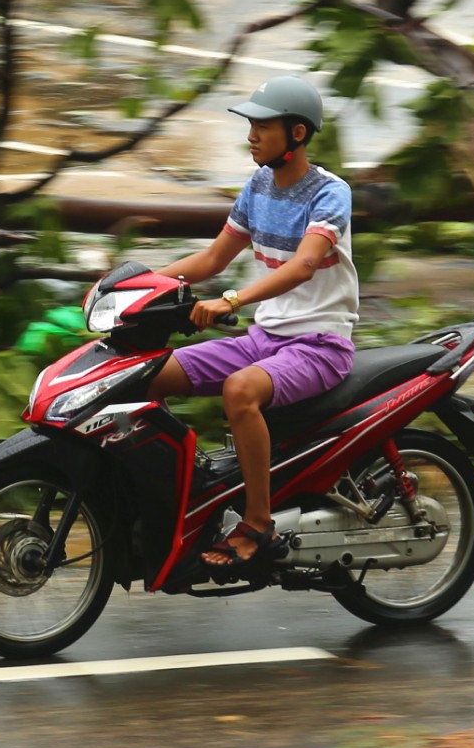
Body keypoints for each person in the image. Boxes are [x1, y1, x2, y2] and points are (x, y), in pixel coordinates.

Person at [149, 76, 359, 570]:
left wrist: (232, 300)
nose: (252, 135)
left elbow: (303, 264)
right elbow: (213, 258)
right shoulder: (259, 185)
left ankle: (258, 523)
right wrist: (135, 283)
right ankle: (178, 496)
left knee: (240, 391)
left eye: (263, 125)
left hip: (321, 345)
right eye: (251, 124)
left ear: (299, 133)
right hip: (265, 338)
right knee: (148, 374)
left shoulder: (330, 193)